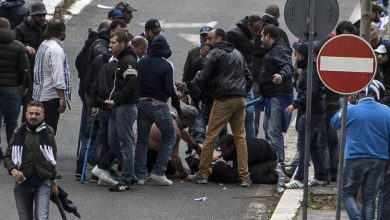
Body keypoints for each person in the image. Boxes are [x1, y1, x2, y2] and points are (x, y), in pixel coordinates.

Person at [189, 28, 253, 187]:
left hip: (223, 98)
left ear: (219, 39)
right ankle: (245, 177)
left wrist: (196, 80)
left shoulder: (216, 53)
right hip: (240, 99)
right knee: (240, 138)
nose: (206, 41)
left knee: (210, 136)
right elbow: (249, 77)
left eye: (210, 38)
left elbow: (202, 78)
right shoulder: (237, 53)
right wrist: (242, 92)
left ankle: (203, 174)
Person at [331, 80, 390, 220]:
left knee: (347, 193)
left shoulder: (351, 110)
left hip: (355, 158)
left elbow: (334, 123)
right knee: (369, 198)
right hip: (380, 159)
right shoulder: (387, 111)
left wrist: (348, 104)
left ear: (358, 94)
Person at [91, 31, 139, 192]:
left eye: (113, 43)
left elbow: (132, 83)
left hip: (124, 107)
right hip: (115, 107)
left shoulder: (128, 60)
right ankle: (129, 173)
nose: (109, 45)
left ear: (123, 44)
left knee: (126, 144)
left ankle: (126, 179)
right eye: (110, 42)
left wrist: (116, 99)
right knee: (112, 141)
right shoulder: (119, 60)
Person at [135, 35, 183, 186]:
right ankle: (158, 171)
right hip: (159, 106)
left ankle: (140, 175)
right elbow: (170, 90)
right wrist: (178, 110)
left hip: (141, 103)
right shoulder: (166, 65)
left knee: (142, 140)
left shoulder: (140, 62)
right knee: (170, 137)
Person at [4, 101, 59, 220]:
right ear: (26, 114)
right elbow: (7, 156)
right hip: (22, 183)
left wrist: (54, 181)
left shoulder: (49, 132)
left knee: (42, 217)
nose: (34, 116)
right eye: (31, 113)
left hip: (43, 182)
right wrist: (13, 170)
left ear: (43, 115)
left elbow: (52, 158)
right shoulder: (18, 132)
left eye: (37, 114)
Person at [285, 42, 328, 189]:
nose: (294, 55)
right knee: (313, 145)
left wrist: (295, 104)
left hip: (311, 112)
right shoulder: (307, 69)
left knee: (303, 145)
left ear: (301, 54)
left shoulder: (310, 71)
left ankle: (300, 178)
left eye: (296, 52)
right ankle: (320, 176)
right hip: (313, 111)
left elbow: (310, 92)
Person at [259, 24, 294, 165]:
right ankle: (272, 163)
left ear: (268, 36)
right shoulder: (273, 49)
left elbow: (287, 66)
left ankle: (279, 165)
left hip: (278, 96)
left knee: (273, 132)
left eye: (262, 35)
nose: (260, 39)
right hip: (271, 96)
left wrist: (281, 76)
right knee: (268, 131)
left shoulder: (279, 49)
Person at [226, 15, 262, 137]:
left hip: (245, 82)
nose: (257, 34)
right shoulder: (235, 36)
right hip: (236, 83)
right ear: (248, 26)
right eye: (255, 31)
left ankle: (250, 144)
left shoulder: (247, 36)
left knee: (249, 115)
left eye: (259, 31)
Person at [32, 19, 71, 134]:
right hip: (50, 97)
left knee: (38, 130)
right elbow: (58, 77)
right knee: (48, 131)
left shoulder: (44, 44)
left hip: (39, 94)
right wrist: (62, 99)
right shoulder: (56, 50)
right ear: (61, 32)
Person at [0, 17, 29, 159]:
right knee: (11, 121)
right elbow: (24, 69)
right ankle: (11, 151)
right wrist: (23, 85)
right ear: (9, 27)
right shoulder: (18, 46)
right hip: (12, 89)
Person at [14, 2, 48, 124]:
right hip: (26, 74)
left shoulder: (46, 27)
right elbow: (14, 47)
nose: (42, 18)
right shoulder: (21, 29)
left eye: (44, 15)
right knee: (26, 107)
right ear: (32, 15)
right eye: (39, 15)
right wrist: (25, 47)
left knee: (39, 107)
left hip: (42, 73)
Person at [147, 105, 199, 179]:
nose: (191, 125)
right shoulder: (174, 132)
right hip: (149, 157)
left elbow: (183, 132)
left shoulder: (170, 117)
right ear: (187, 119)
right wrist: (184, 175)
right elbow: (175, 157)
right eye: (192, 122)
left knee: (182, 165)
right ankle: (153, 172)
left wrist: (195, 145)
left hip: (141, 151)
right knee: (186, 170)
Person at [210, 134, 278, 184]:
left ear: (232, 147)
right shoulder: (232, 145)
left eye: (224, 150)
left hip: (270, 160)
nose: (222, 152)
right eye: (221, 150)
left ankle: (276, 177)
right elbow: (226, 155)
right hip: (257, 157)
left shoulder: (242, 151)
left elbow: (236, 175)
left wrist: (221, 166)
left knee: (249, 176)